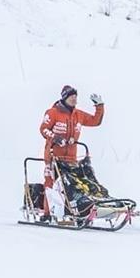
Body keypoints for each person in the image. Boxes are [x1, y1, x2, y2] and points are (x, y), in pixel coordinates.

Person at [39, 85, 105, 224]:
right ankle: (47, 213)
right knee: (51, 184)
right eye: (72, 97)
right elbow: (43, 129)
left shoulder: (78, 114)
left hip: (71, 157)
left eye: (76, 96)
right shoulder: (53, 112)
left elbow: (95, 121)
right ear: (65, 98)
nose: (75, 99)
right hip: (53, 156)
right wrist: (55, 137)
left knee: (74, 184)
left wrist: (99, 106)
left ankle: (77, 211)